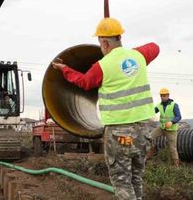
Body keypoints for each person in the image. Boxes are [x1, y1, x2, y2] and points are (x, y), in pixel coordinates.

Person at [52, 17, 159, 200]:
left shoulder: (102, 66)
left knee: (122, 182)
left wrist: (64, 69)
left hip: (120, 134)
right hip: (143, 131)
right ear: (119, 38)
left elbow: (84, 82)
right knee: (136, 179)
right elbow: (155, 47)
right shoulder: (139, 56)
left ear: (104, 43)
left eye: (100, 43)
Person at [147, 88, 181, 166]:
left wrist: (171, 122)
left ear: (168, 95)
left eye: (164, 95)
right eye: (161, 95)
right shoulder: (159, 105)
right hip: (161, 128)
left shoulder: (174, 105)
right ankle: (150, 153)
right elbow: (152, 112)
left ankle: (176, 166)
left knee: (172, 148)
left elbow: (178, 116)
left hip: (171, 130)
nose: (162, 97)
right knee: (149, 137)